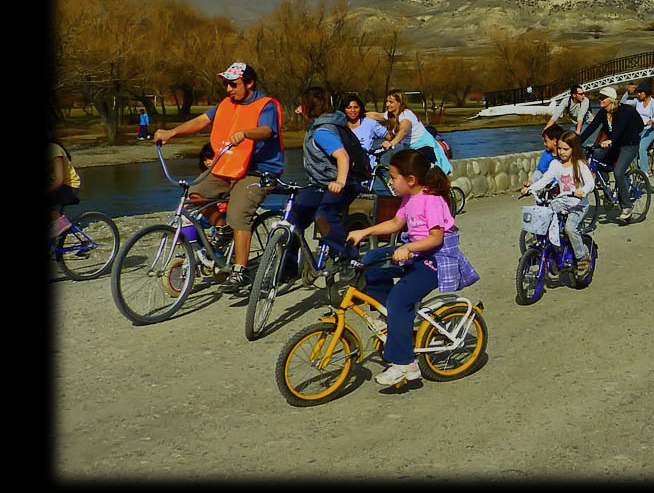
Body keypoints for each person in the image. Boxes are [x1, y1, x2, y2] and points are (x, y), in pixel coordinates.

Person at [346, 149, 476, 389]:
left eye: (394, 178)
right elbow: (396, 223)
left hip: (436, 258)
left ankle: (406, 364)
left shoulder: (432, 200)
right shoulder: (409, 198)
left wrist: (409, 248)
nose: (391, 182)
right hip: (416, 252)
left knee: (400, 300)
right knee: (373, 260)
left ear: (411, 180)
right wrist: (364, 232)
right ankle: (389, 317)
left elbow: (436, 239)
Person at [153, 61, 282, 293]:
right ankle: (222, 229)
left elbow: (267, 131)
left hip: (258, 170)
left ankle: (240, 270)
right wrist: (172, 132)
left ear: (249, 83)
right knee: (195, 192)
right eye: (226, 84)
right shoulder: (226, 104)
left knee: (238, 213)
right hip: (229, 165)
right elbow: (202, 120)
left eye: (233, 84)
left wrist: (246, 134)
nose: (228, 89)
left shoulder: (265, 105)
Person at [293, 87, 362, 263]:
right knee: (295, 216)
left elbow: (342, 156)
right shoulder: (323, 123)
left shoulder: (322, 132)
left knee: (324, 216)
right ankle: (288, 265)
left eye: (303, 105)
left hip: (342, 182)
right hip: (321, 183)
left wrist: (340, 182)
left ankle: (348, 259)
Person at [521, 130, 596, 278]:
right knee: (543, 216)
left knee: (569, 228)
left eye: (566, 149)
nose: (562, 152)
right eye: (560, 148)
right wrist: (530, 188)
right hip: (561, 202)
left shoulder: (580, 164)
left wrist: (583, 191)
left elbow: (590, 183)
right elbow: (545, 180)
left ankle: (582, 259)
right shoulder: (555, 164)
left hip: (578, 205)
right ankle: (549, 251)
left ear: (574, 149)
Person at [578, 86, 643, 221]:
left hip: (629, 145)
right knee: (596, 156)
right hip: (614, 145)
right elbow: (591, 128)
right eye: (599, 98)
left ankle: (627, 206)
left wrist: (611, 140)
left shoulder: (623, 111)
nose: (599, 100)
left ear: (611, 100)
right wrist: (575, 142)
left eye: (602, 98)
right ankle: (605, 182)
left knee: (619, 172)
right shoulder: (603, 113)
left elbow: (618, 129)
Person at [622, 82, 654, 176]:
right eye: (638, 92)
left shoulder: (653, 103)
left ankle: (644, 172)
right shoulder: (637, 101)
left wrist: (651, 121)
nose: (639, 94)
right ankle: (636, 171)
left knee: (641, 148)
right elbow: (622, 103)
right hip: (638, 129)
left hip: (649, 130)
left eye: (641, 92)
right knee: (632, 149)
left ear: (646, 92)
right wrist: (627, 93)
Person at [47, 131, 82, 237]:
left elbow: (59, 179)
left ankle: (60, 221)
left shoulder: (53, 149)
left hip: (70, 187)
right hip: (59, 187)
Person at [523, 124, 566, 189]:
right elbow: (540, 171)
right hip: (547, 186)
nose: (544, 144)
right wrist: (531, 181)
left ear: (555, 141)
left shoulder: (565, 157)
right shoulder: (546, 154)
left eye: (546, 141)